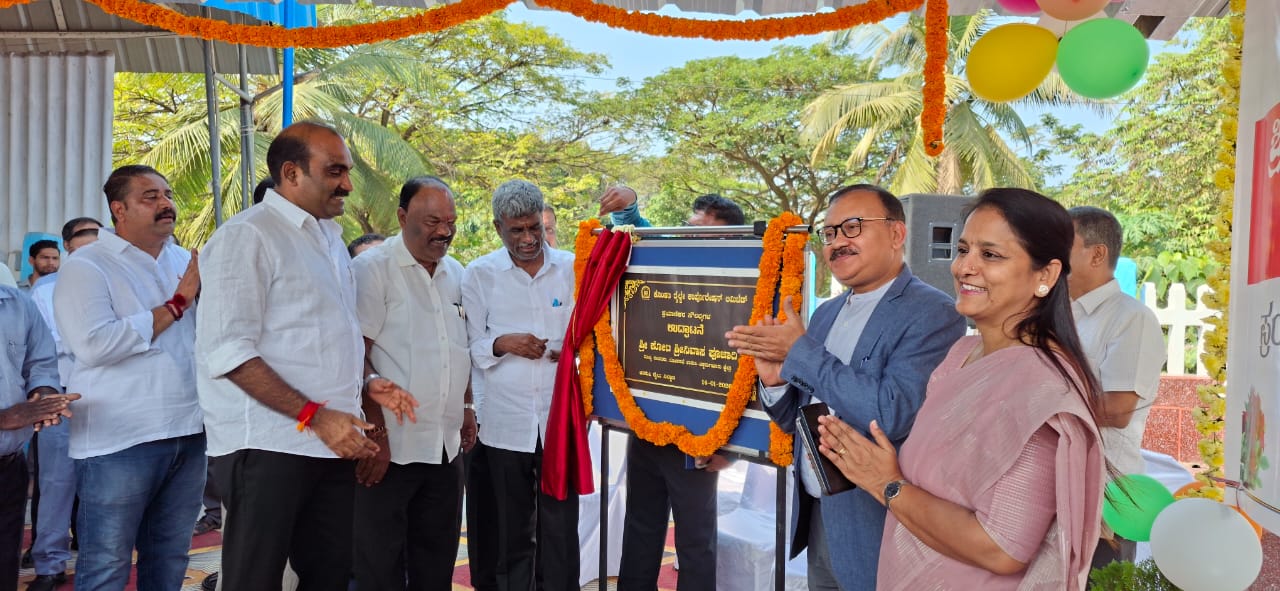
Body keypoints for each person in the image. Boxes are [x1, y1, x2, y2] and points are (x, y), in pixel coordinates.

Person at [815, 188, 1107, 590]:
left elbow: (1001, 549)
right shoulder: (962, 354)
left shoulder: (1040, 388)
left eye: (991, 255)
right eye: (963, 249)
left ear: (1046, 276)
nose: (964, 267)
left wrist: (886, 484)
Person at [195, 121, 417, 590]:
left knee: (328, 577)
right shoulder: (247, 236)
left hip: (328, 442)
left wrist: (363, 386)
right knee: (255, 580)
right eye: (335, 170)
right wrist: (315, 416)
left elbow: (316, 339)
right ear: (291, 174)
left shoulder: (329, 239)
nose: (349, 184)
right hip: (268, 444)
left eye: (348, 170)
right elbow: (229, 350)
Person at [726, 184, 965, 591]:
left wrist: (802, 352)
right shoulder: (826, 314)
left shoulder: (933, 313)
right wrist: (775, 381)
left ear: (896, 234)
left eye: (852, 227)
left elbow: (891, 413)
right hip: (820, 512)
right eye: (830, 233)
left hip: (877, 523)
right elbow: (802, 421)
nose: (838, 242)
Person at [53, 165, 206, 590]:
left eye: (168, 194)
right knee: (106, 564)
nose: (166, 204)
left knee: (169, 559)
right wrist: (177, 303)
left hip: (189, 431)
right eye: (150, 197)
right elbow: (95, 345)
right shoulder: (87, 266)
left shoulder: (181, 258)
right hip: (119, 439)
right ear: (118, 209)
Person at [611, 187, 744, 591]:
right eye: (688, 229)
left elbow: (751, 378)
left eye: (703, 234)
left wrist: (732, 447)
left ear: (730, 240)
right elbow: (637, 230)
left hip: (702, 439)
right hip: (648, 426)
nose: (689, 240)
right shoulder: (665, 267)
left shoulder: (744, 287)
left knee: (695, 540)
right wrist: (629, 203)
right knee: (640, 529)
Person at [350, 176, 477, 589]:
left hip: (444, 447)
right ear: (403, 217)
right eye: (432, 221)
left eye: (451, 221)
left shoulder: (456, 273)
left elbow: (458, 348)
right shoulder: (372, 269)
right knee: (380, 565)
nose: (444, 231)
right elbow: (357, 354)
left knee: (436, 561)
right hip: (392, 449)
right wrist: (377, 435)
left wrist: (468, 409)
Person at [462, 179, 579, 591]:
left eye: (535, 228)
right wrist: (502, 342)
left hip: (557, 418)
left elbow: (591, 335)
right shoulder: (479, 274)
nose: (529, 239)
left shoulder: (570, 267)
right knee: (510, 529)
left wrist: (563, 349)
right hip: (505, 421)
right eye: (517, 230)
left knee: (560, 526)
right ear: (498, 228)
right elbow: (471, 347)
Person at [1067, 206, 1165, 571]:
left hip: (1104, 503)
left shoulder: (1130, 319)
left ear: (1097, 254)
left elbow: (1118, 409)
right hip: (1056, 493)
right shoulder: (1059, 315)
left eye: (1062, 243)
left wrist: (1035, 406)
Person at [25, 217, 100, 589]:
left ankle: (95, 556)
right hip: (61, 398)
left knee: (106, 486)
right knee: (56, 484)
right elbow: (57, 345)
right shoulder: (45, 292)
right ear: (67, 247)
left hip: (108, 402)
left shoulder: (115, 282)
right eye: (83, 244)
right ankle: (50, 563)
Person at [0, 286, 75, 591]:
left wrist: (42, 397)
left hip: (8, 467)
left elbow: (41, 364)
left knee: (5, 568)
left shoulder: (16, 303)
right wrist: (4, 418)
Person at [598, 185, 746, 228]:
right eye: (691, 228)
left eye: (709, 233)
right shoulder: (668, 244)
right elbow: (630, 225)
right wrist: (628, 195)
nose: (695, 237)